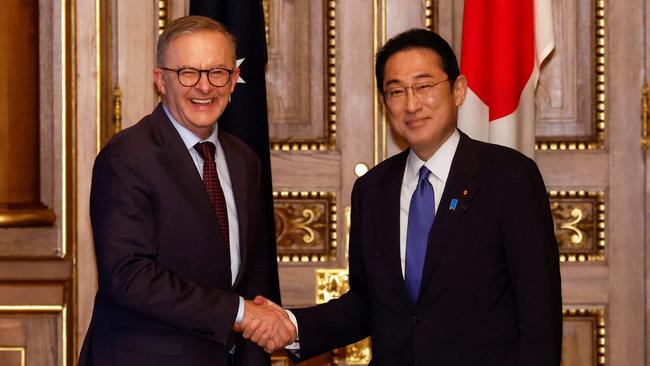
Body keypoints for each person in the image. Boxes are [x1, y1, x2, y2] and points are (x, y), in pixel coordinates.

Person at [245, 28, 562, 365]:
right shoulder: (372, 190)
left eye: (424, 86)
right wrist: (293, 326)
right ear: (385, 103)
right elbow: (368, 303)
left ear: (458, 90)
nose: (411, 104)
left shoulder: (508, 178)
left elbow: (539, 314)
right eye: (396, 91)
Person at [78, 16, 295, 366]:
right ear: (160, 80)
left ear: (234, 79)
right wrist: (241, 314)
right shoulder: (127, 156)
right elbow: (128, 276)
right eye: (188, 73)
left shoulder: (243, 160)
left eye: (217, 72)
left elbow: (250, 277)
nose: (204, 87)